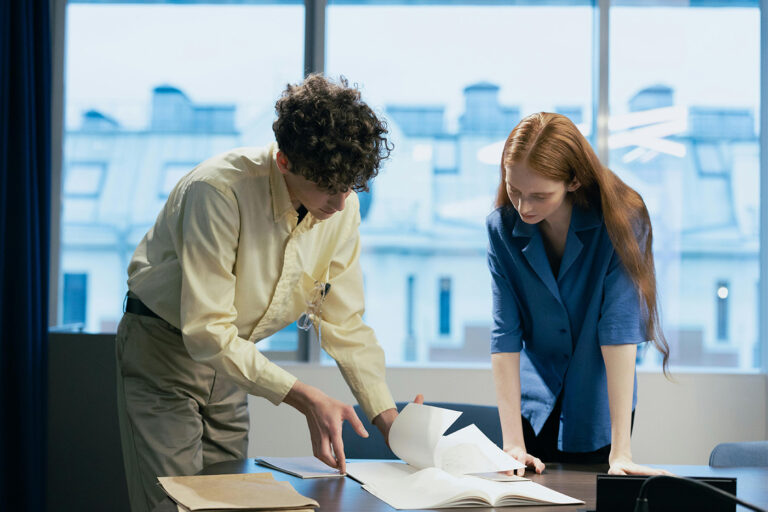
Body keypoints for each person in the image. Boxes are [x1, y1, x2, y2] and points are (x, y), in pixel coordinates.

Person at [116, 74, 415, 512]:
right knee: (172, 503)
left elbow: (345, 322)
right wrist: (305, 397)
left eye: (348, 187)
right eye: (326, 187)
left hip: (236, 361)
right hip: (165, 350)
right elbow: (207, 333)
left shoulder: (341, 207)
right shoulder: (217, 191)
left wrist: (387, 418)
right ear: (284, 162)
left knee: (231, 501)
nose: (339, 202)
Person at [486, 112, 671, 476]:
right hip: (535, 403)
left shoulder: (622, 218)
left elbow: (618, 330)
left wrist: (622, 453)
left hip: (599, 403)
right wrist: (512, 446)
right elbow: (504, 335)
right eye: (515, 190)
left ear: (573, 180)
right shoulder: (502, 229)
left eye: (539, 196)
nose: (523, 208)